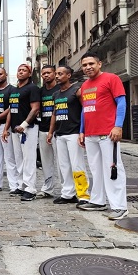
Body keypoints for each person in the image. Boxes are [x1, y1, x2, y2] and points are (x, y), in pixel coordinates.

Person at [77, 52, 129, 220]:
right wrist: (82, 131)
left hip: (108, 133)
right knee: (95, 169)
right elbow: (85, 109)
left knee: (113, 169)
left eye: (91, 63)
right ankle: (98, 201)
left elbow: (121, 102)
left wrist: (118, 126)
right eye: (84, 65)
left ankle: (120, 207)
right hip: (91, 134)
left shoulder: (111, 79)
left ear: (99, 64)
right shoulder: (85, 86)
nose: (88, 67)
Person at [46, 66, 91, 205]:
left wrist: (83, 130)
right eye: (57, 74)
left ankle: (83, 195)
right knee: (63, 166)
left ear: (69, 75)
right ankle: (67, 193)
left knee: (77, 164)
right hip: (60, 134)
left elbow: (85, 109)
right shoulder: (56, 95)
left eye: (61, 74)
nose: (58, 76)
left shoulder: (76, 91)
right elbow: (54, 114)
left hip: (74, 132)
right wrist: (50, 131)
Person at [8, 64, 41, 201]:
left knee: (29, 159)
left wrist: (24, 124)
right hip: (15, 129)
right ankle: (22, 185)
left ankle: (31, 188)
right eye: (19, 70)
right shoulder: (14, 90)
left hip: (28, 128)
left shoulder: (32, 88)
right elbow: (11, 109)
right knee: (19, 158)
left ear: (29, 74)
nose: (20, 72)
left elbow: (35, 108)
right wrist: (6, 129)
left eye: (24, 70)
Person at [37, 65, 59, 198]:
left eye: (48, 73)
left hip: (59, 130)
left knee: (62, 162)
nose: (46, 75)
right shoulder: (40, 91)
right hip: (43, 128)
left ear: (54, 74)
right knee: (46, 161)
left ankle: (68, 190)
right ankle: (47, 188)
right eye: (43, 73)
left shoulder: (59, 89)